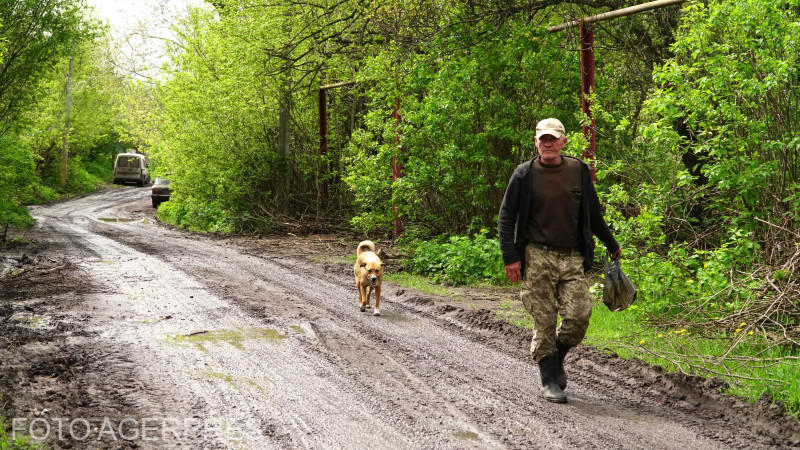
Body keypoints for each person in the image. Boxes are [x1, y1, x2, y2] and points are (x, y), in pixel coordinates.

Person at [497, 117, 621, 403]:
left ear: (564, 141)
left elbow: (593, 213)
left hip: (572, 257)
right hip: (537, 255)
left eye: (554, 139)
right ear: (536, 142)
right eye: (543, 139)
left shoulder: (578, 170)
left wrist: (611, 244)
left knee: (579, 317)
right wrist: (510, 258)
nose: (548, 143)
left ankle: (556, 359)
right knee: (544, 318)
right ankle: (549, 379)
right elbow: (506, 218)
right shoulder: (524, 174)